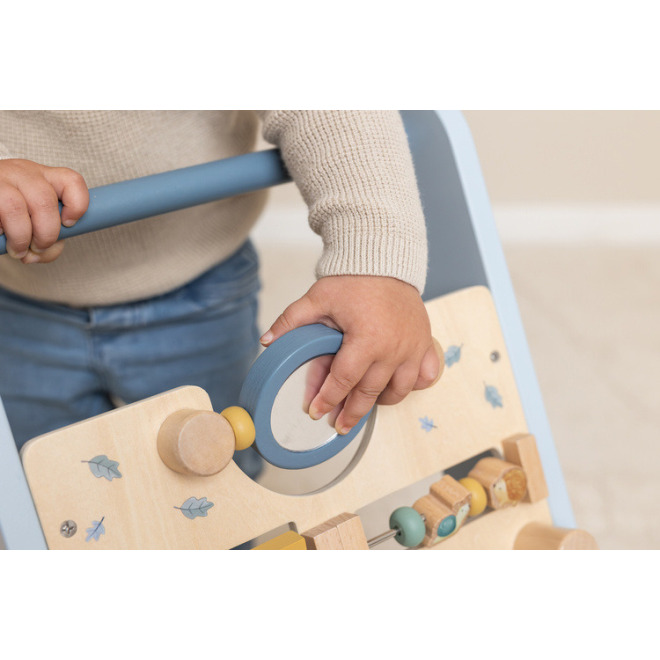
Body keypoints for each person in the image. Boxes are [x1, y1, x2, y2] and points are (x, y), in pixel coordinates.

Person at [0, 111, 439, 478]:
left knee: (218, 482)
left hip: (201, 288)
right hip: (16, 303)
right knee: (49, 491)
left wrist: (375, 260)